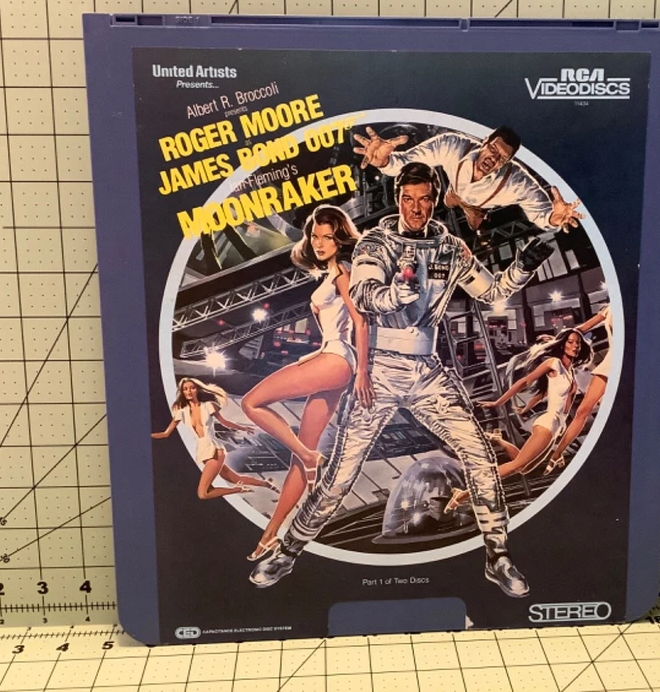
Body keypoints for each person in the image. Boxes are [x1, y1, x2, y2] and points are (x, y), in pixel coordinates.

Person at [249, 162, 554, 598]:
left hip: (427, 372)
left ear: (435, 200)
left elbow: (492, 292)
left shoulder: (451, 248)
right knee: (340, 474)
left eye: (425, 199)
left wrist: (526, 263)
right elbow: (364, 294)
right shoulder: (377, 243)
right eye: (408, 199)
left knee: (480, 457)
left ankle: (498, 555)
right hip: (381, 370)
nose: (416, 208)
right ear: (397, 198)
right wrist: (397, 293)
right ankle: (288, 550)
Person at [241, 205, 372, 562]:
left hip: (339, 362)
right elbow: (335, 328)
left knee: (250, 403)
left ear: (340, 239)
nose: (319, 243)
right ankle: (270, 534)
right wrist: (312, 355)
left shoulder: (342, 273)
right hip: (332, 358)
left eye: (327, 237)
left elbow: (360, 322)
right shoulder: (329, 275)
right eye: (315, 236)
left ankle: (308, 455)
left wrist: (362, 371)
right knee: (302, 457)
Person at [445, 329, 592, 512]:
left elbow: (547, 395)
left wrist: (557, 437)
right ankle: (464, 495)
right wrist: (498, 402)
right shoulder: (553, 363)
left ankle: (499, 440)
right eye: (570, 342)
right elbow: (525, 382)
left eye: (578, 343)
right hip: (547, 424)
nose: (575, 346)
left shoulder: (570, 374)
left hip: (556, 428)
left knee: (524, 469)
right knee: (516, 465)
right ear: (562, 345)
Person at [353, 125, 583, 232]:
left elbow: (541, 212)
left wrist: (553, 218)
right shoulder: (452, 145)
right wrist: (384, 161)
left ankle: (470, 211)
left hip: (478, 205)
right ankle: (456, 199)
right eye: (492, 149)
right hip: (455, 189)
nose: (493, 159)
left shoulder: (517, 182)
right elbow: (407, 161)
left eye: (502, 158)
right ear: (484, 142)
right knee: (449, 200)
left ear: (508, 163)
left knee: (475, 224)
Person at [152, 378, 275, 500]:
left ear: (197, 390)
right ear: (182, 392)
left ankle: (238, 489)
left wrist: (243, 428)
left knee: (203, 494)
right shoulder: (181, 412)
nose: (188, 391)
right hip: (203, 450)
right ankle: (265, 483)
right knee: (235, 478)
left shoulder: (209, 406)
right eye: (185, 389)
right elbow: (165, 433)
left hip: (215, 449)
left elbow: (224, 422)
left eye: (192, 388)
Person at [544, 305, 613, 473]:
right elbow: (579, 330)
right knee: (582, 411)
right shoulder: (610, 309)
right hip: (611, 361)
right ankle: (557, 454)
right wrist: (557, 341)